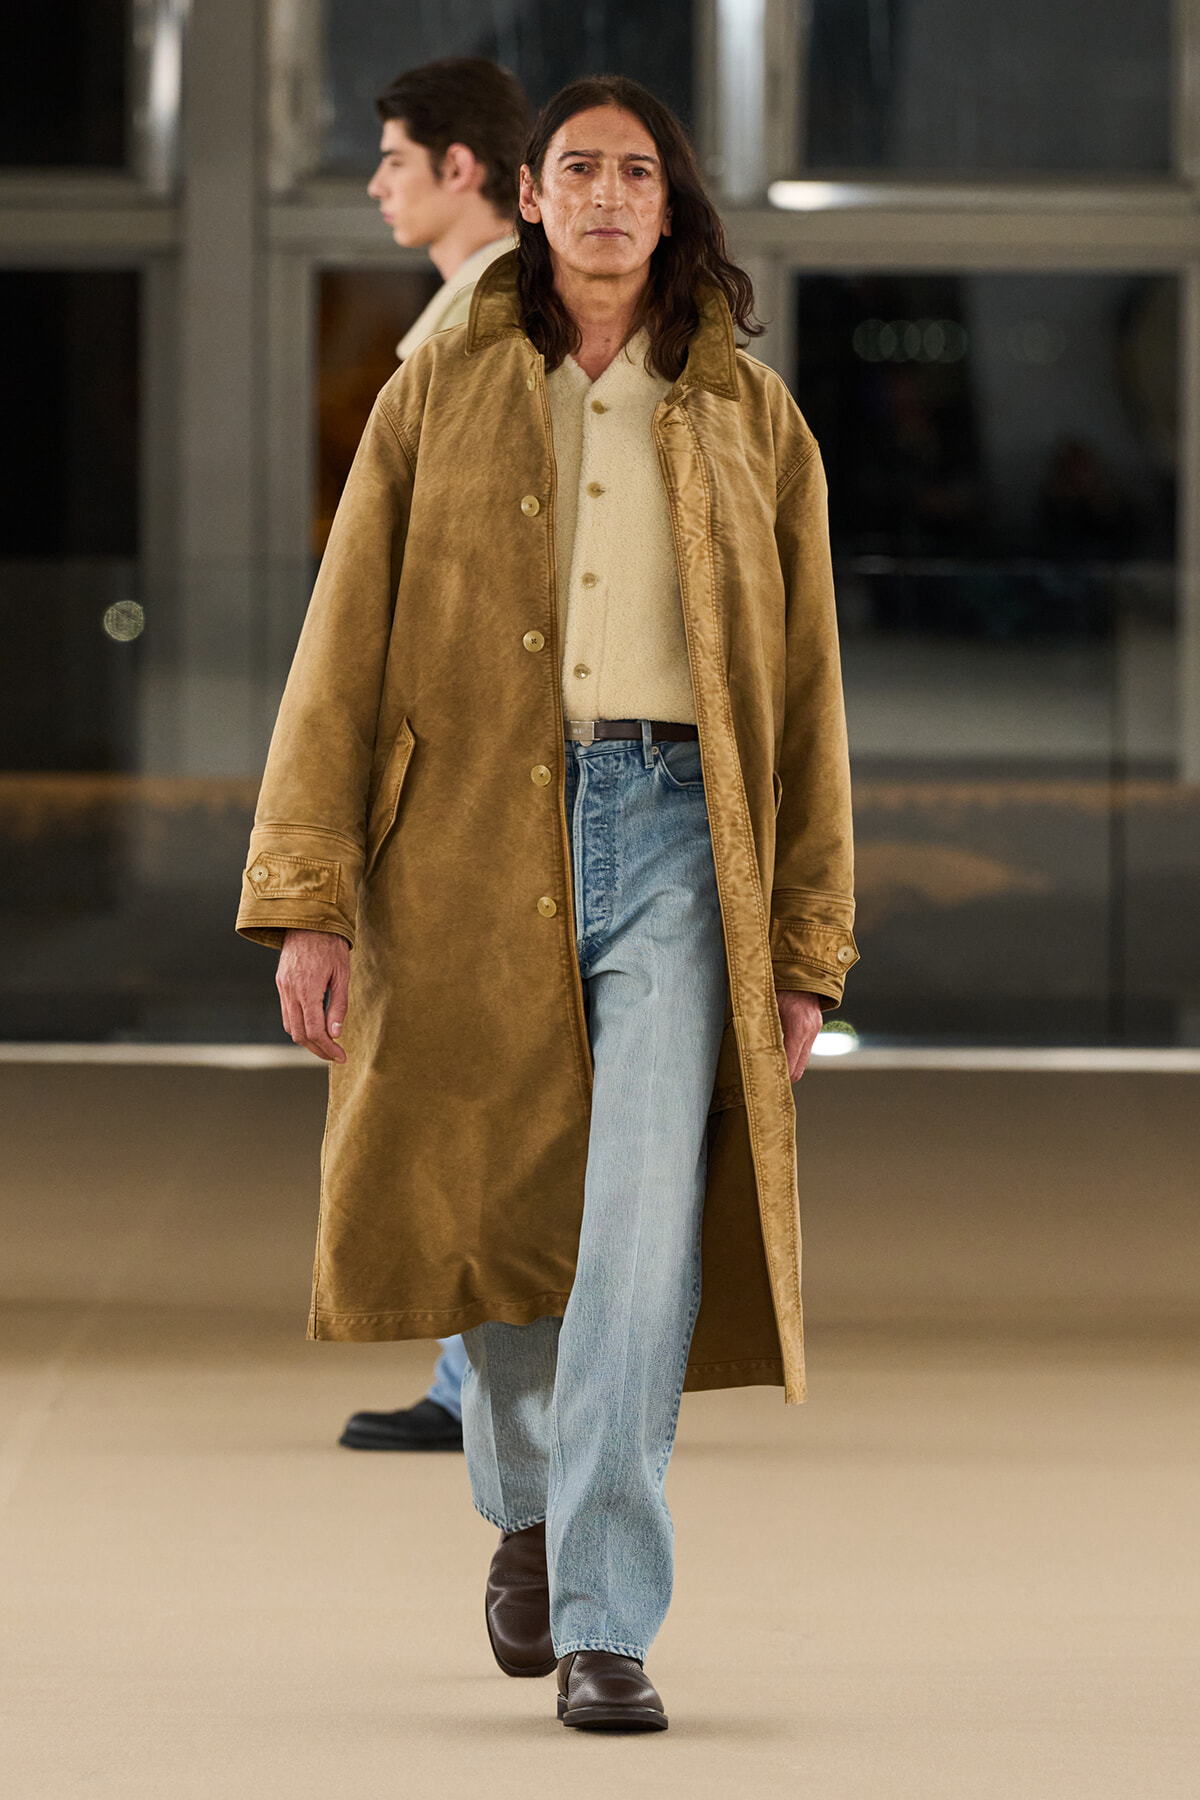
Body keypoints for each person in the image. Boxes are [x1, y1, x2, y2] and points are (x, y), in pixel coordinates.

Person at [237, 75, 857, 1732]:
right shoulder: (437, 379)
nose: (602, 195)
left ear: (671, 204)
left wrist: (803, 945)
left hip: (673, 837)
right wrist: (314, 896)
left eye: (632, 171)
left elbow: (806, 699)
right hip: (461, 844)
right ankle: (521, 1496)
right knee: (506, 1213)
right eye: (574, 168)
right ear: (528, 195)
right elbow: (342, 634)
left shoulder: (751, 417)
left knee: (638, 1236)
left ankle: (604, 1614)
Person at [340, 57, 532, 1455]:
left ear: (463, 167)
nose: (377, 183)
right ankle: (479, 1378)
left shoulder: (499, 319)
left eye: (397, 158)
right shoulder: (473, 316)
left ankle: (495, 1383)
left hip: (491, 749)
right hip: (483, 738)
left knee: (481, 1066)